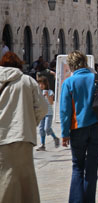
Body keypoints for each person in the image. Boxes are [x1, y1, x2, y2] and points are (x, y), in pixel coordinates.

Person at [60, 51, 98, 203]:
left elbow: (65, 111)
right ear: (85, 63)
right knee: (91, 170)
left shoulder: (69, 83)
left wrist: (65, 134)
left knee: (77, 167)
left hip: (78, 129)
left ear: (71, 66)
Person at [0, 52, 47, 203]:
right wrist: (31, 121)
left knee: (4, 178)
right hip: (23, 135)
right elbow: (42, 107)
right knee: (24, 180)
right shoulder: (27, 81)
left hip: (1, 137)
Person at [36, 76, 60, 151]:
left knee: (47, 128)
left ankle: (55, 138)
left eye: (42, 84)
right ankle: (42, 144)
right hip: (41, 113)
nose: (41, 86)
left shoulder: (50, 92)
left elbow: (51, 103)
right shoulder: (38, 92)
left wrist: (47, 95)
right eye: (39, 84)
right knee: (41, 129)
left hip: (49, 113)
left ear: (46, 84)